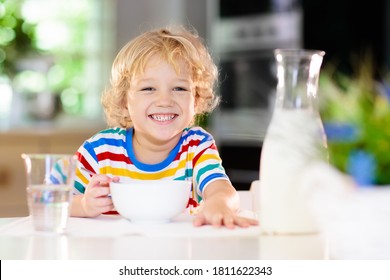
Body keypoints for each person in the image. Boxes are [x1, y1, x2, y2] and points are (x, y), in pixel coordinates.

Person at [71, 25, 258, 228]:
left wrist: (219, 205)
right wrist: (83, 205)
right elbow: (51, 198)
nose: (165, 100)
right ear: (124, 101)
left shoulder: (196, 145)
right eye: (148, 88)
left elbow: (220, 188)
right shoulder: (100, 150)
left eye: (179, 88)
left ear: (195, 101)